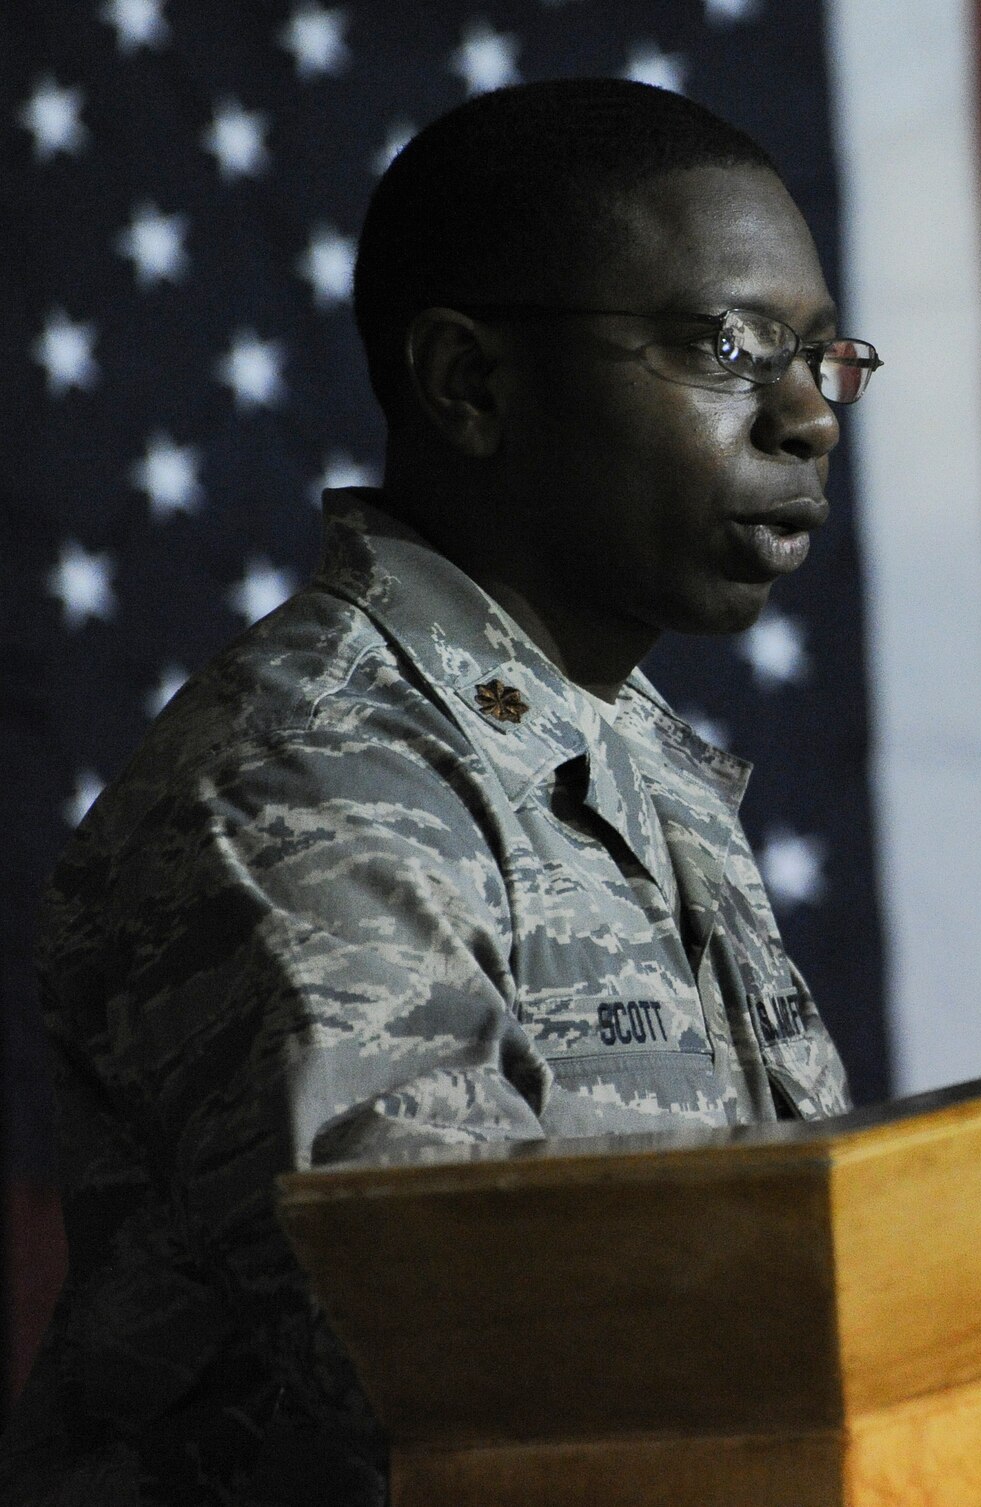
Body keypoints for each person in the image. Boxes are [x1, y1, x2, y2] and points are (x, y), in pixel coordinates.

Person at [0, 79, 875, 1505]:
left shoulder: (632, 750)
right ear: (472, 383)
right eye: (725, 346)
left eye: (821, 356)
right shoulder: (313, 786)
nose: (806, 419)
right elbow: (450, 1386)